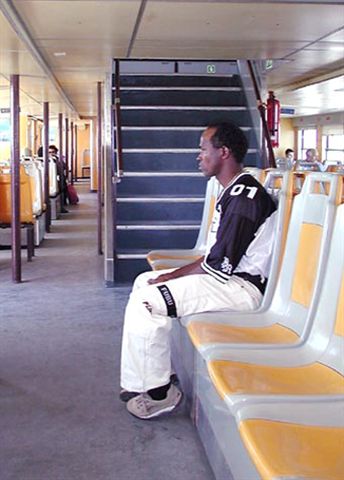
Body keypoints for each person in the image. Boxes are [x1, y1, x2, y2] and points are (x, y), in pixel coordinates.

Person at [120, 122, 277, 420]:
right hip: (225, 279)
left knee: (147, 301)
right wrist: (169, 275)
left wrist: (172, 276)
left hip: (239, 289)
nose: (198, 156)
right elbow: (213, 256)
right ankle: (145, 378)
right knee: (144, 281)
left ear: (224, 152)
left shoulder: (245, 196)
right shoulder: (233, 191)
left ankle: (159, 394)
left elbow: (218, 266)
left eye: (203, 149)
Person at [49, 144, 68, 212]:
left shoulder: (58, 160)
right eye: (49, 152)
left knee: (62, 185)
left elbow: (64, 168)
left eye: (53, 152)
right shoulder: (44, 161)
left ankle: (62, 205)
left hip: (58, 178)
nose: (51, 154)